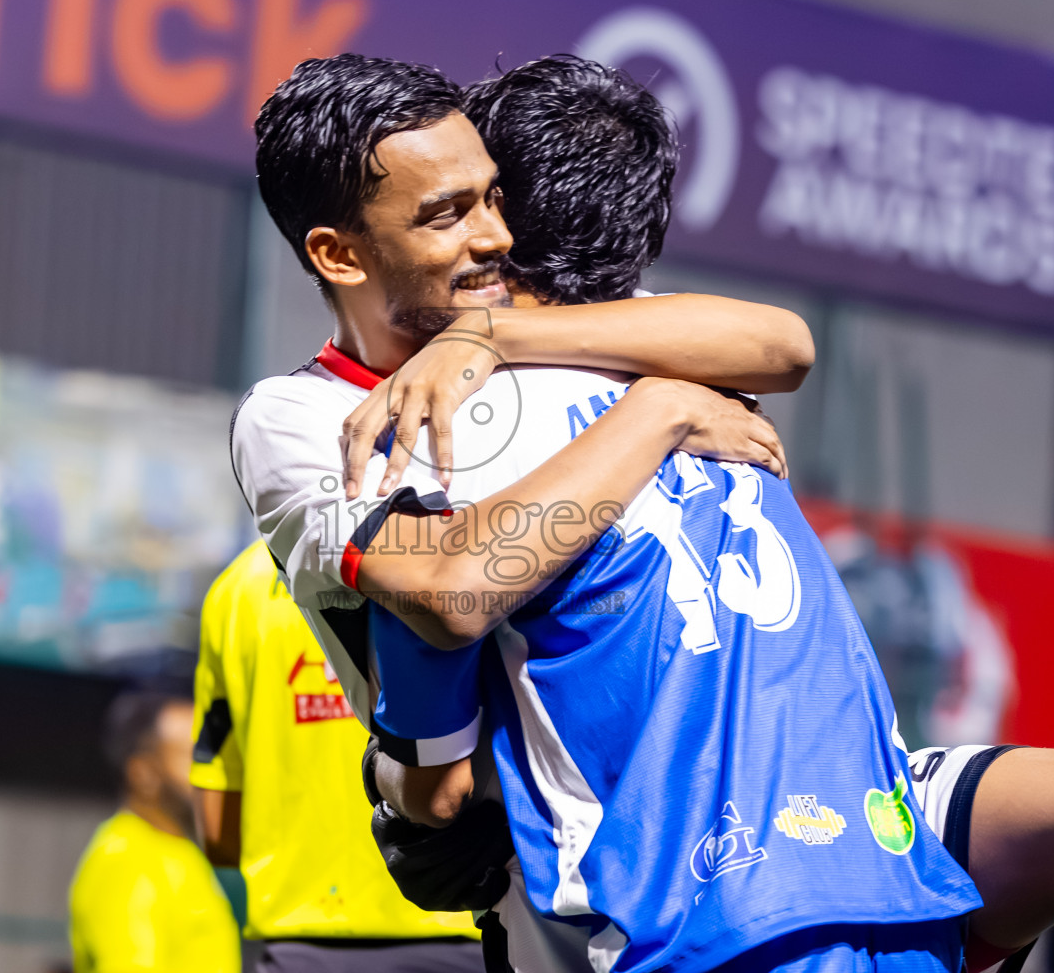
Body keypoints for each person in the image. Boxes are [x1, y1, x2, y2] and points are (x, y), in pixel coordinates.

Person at [356, 56, 1054, 973]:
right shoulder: (450, 427)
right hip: (718, 878)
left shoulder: (669, 344)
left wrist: (495, 332)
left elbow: (787, 342)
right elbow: (443, 753)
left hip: (871, 811)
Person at [234, 53, 977, 973]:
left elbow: (780, 344)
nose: (494, 236)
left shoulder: (529, 327)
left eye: (493, 197)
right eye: (446, 214)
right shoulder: (298, 417)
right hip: (495, 811)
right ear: (338, 254)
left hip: (739, 823)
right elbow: (455, 593)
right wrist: (660, 409)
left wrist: (494, 335)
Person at [189, 539, 483, 973]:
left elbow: (217, 830)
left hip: (300, 947)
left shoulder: (234, 590)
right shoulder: (461, 553)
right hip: (462, 922)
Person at [69, 692, 241, 973]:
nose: (214, 772)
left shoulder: (181, 853)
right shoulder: (125, 860)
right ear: (143, 774)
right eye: (195, 756)